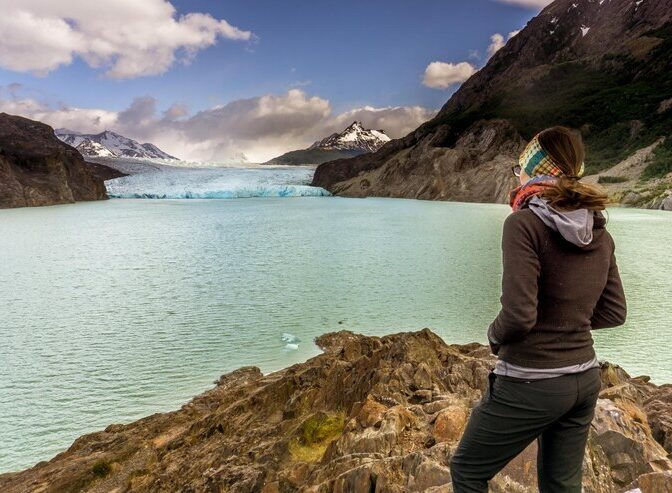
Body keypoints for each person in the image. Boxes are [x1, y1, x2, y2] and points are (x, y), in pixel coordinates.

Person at [449, 126, 627, 493]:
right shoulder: (599, 230)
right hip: (584, 380)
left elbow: (517, 316)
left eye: (520, 168)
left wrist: (493, 335)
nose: (518, 175)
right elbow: (614, 312)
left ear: (533, 168)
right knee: (561, 485)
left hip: (531, 380)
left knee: (467, 471)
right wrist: (566, 323)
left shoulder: (523, 224)